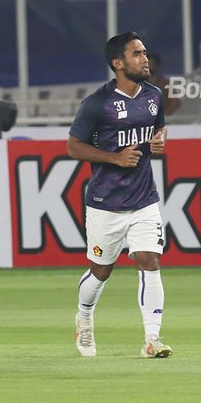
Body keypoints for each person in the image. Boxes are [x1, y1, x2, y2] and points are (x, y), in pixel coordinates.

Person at [67, 31, 172, 359]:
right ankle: (84, 318)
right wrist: (114, 157)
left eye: (144, 53)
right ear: (118, 63)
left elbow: (158, 128)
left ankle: (152, 340)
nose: (145, 59)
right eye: (137, 54)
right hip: (105, 204)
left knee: (149, 260)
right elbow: (73, 146)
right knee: (101, 270)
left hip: (144, 199)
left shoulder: (154, 95)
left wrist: (158, 141)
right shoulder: (97, 103)